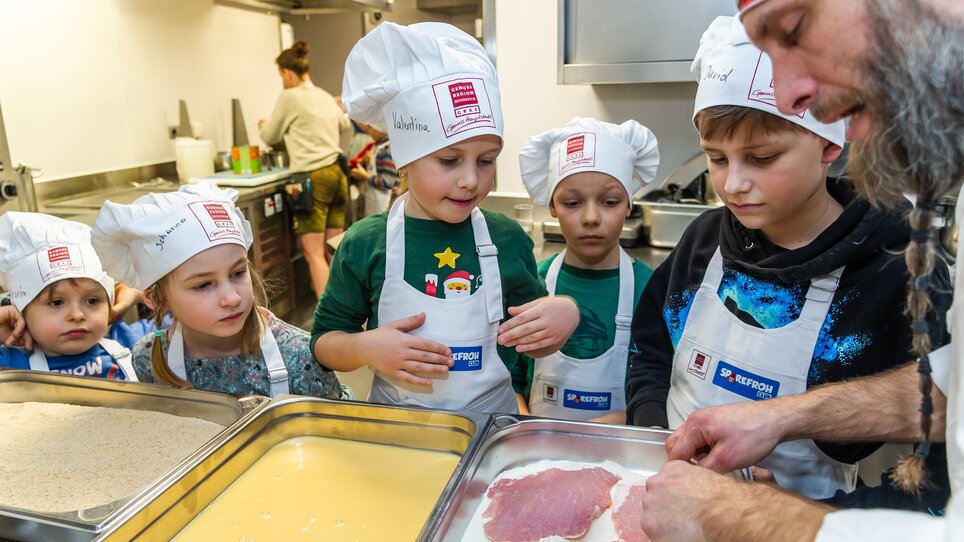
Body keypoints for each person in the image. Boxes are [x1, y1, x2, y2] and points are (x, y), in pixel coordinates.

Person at [640, 0, 964, 540]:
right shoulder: (703, 244)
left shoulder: (895, 268)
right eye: (716, 159)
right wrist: (775, 418)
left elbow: (935, 489)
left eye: (794, 30)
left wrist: (759, 514)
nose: (734, 183)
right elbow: (953, 391)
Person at [312, 21, 579, 414]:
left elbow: (535, 340)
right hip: (399, 433)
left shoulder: (506, 238)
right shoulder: (367, 243)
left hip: (490, 430)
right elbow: (324, 343)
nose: (470, 180)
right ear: (405, 159)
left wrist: (565, 313)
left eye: (486, 161)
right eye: (449, 160)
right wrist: (364, 346)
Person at [91, 182, 345, 400]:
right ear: (157, 299)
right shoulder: (149, 360)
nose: (232, 298)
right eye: (203, 285)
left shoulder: (300, 357)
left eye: (237, 273)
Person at [514, 117, 659, 422]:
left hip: (621, 450)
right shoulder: (534, 281)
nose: (591, 217)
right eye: (572, 203)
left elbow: (660, 387)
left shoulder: (651, 288)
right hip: (540, 447)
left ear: (629, 205)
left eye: (609, 201)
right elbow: (511, 377)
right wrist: (524, 424)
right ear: (552, 206)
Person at [259, 40, 351, 298]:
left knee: (313, 252)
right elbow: (343, 126)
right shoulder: (323, 96)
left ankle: (327, 318)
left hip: (313, 178)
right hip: (337, 172)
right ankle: (347, 306)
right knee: (335, 248)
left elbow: (270, 134)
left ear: (287, 73)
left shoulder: (289, 97)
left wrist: (262, 124)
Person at [0, 212, 137, 380]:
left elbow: (169, 327)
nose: (77, 315)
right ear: (22, 312)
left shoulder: (130, 340)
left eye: (92, 301)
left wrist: (139, 293)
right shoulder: (9, 362)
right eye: (56, 302)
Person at [348, 120, 399, 217]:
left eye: (372, 128)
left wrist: (365, 176)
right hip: (373, 199)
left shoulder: (388, 149)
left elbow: (387, 182)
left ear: (380, 130)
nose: (369, 131)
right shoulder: (377, 146)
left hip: (384, 202)